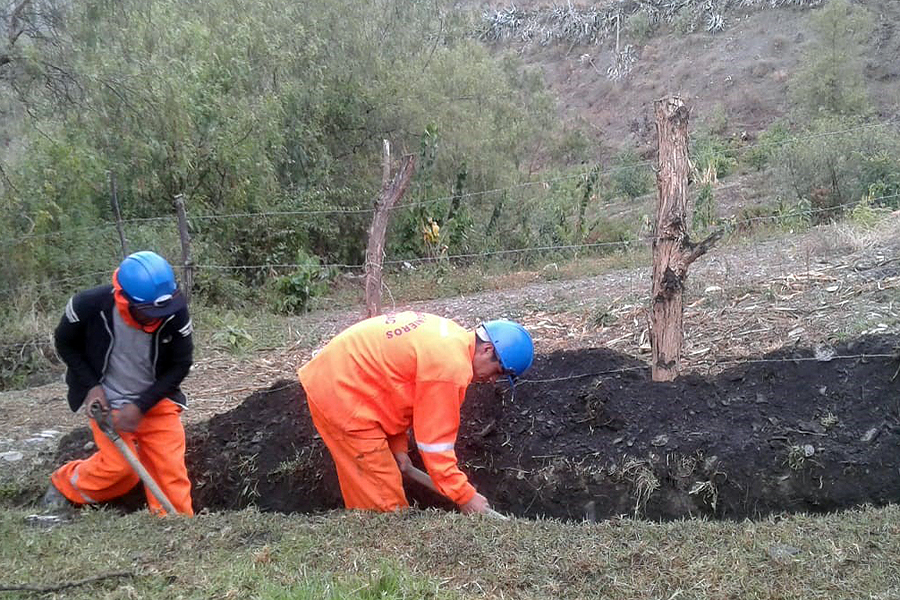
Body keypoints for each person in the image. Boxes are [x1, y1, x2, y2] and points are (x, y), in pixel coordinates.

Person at [296, 311, 534, 515]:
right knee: (383, 506)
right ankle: (380, 555)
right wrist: (465, 495)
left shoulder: (453, 338)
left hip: (349, 381)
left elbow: (397, 388)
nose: (493, 380)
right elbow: (435, 445)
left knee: (380, 486)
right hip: (342, 392)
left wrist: (398, 448)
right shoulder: (449, 369)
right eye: (498, 371)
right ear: (487, 349)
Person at [41, 250, 194, 516]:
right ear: (124, 298)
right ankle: (65, 483)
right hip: (107, 403)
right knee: (120, 470)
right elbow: (65, 343)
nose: (158, 317)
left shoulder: (173, 314)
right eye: (148, 312)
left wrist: (141, 405)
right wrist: (91, 387)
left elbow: (180, 364)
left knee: (170, 471)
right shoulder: (87, 306)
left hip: (156, 401)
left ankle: (173, 528)